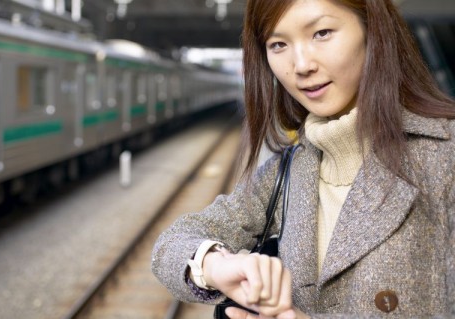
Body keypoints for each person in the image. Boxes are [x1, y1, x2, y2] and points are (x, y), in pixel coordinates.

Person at [151, 0, 455, 318]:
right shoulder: (290, 169)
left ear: (373, 30)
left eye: (321, 33)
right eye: (278, 44)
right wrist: (215, 264)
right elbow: (171, 243)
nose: (301, 65)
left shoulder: (444, 155)